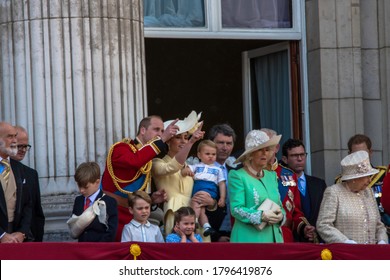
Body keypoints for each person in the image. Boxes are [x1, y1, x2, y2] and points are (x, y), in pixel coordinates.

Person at [101, 115, 179, 241]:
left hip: (132, 216)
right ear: (143, 130)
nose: (160, 134)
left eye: (162, 131)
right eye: (156, 129)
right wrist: (162, 140)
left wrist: (151, 198)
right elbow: (134, 162)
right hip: (111, 215)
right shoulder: (120, 148)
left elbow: (134, 191)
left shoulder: (147, 158)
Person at [152, 111, 214, 238]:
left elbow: (207, 188)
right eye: (178, 137)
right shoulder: (157, 163)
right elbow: (173, 166)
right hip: (174, 215)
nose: (184, 141)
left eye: (186, 137)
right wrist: (191, 142)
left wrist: (211, 202)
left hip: (195, 216)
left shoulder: (192, 166)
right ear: (168, 141)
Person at [317, 150, 388, 244]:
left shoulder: (368, 192)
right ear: (353, 179)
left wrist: (382, 240)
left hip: (371, 253)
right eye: (366, 176)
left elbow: (379, 225)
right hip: (346, 254)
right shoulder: (334, 192)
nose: (369, 180)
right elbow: (323, 225)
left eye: (369, 176)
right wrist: (345, 242)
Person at [229, 130, 284, 243]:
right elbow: (236, 209)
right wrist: (261, 216)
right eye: (260, 149)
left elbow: (279, 205)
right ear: (250, 154)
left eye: (267, 150)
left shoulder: (272, 176)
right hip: (249, 240)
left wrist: (281, 216)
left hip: (275, 239)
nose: (265, 153)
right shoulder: (237, 176)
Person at [261, 128, 313, 243]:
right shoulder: (248, 174)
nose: (265, 150)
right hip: (258, 236)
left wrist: (304, 228)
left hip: (284, 237)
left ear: (276, 148)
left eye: (269, 146)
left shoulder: (289, 174)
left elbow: (296, 211)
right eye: (262, 146)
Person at [336, 134, 389, 230]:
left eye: (363, 153)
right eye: (355, 154)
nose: (360, 158)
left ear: (370, 152)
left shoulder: (384, 175)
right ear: (349, 154)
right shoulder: (341, 182)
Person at [281, 138, 327, 242]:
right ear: (284, 159)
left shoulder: (319, 184)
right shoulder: (279, 184)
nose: (300, 159)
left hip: (316, 241)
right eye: (294, 155)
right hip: (291, 241)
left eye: (302, 154)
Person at [183, 140, 226, 236]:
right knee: (201, 209)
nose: (211, 156)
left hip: (208, 188)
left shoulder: (218, 169)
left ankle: (193, 223)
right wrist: (187, 171)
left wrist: (222, 197)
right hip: (199, 187)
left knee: (194, 202)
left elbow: (222, 184)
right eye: (207, 154)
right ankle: (206, 226)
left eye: (213, 154)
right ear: (199, 155)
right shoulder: (196, 166)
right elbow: (184, 171)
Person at [10, 126, 45, 242]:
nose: (23, 150)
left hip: (27, 242)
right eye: (20, 146)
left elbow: (36, 211)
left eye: (26, 146)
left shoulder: (31, 174)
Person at [69, 162, 118, 242]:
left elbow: (111, 232)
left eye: (86, 187)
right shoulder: (78, 201)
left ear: (97, 182)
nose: (81, 190)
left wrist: (97, 248)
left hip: (100, 250)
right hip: (82, 249)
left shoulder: (109, 202)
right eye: (79, 186)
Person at [0, 121, 32, 243]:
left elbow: (27, 205)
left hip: (16, 239)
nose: (15, 141)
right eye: (10, 136)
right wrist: (1, 235)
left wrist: (22, 232)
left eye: (15, 136)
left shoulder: (19, 169)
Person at [206, 123, 238, 242]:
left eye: (229, 143)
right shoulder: (200, 170)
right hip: (210, 236)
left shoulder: (236, 172)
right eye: (220, 143)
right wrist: (215, 236)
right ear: (210, 143)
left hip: (235, 233)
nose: (225, 147)